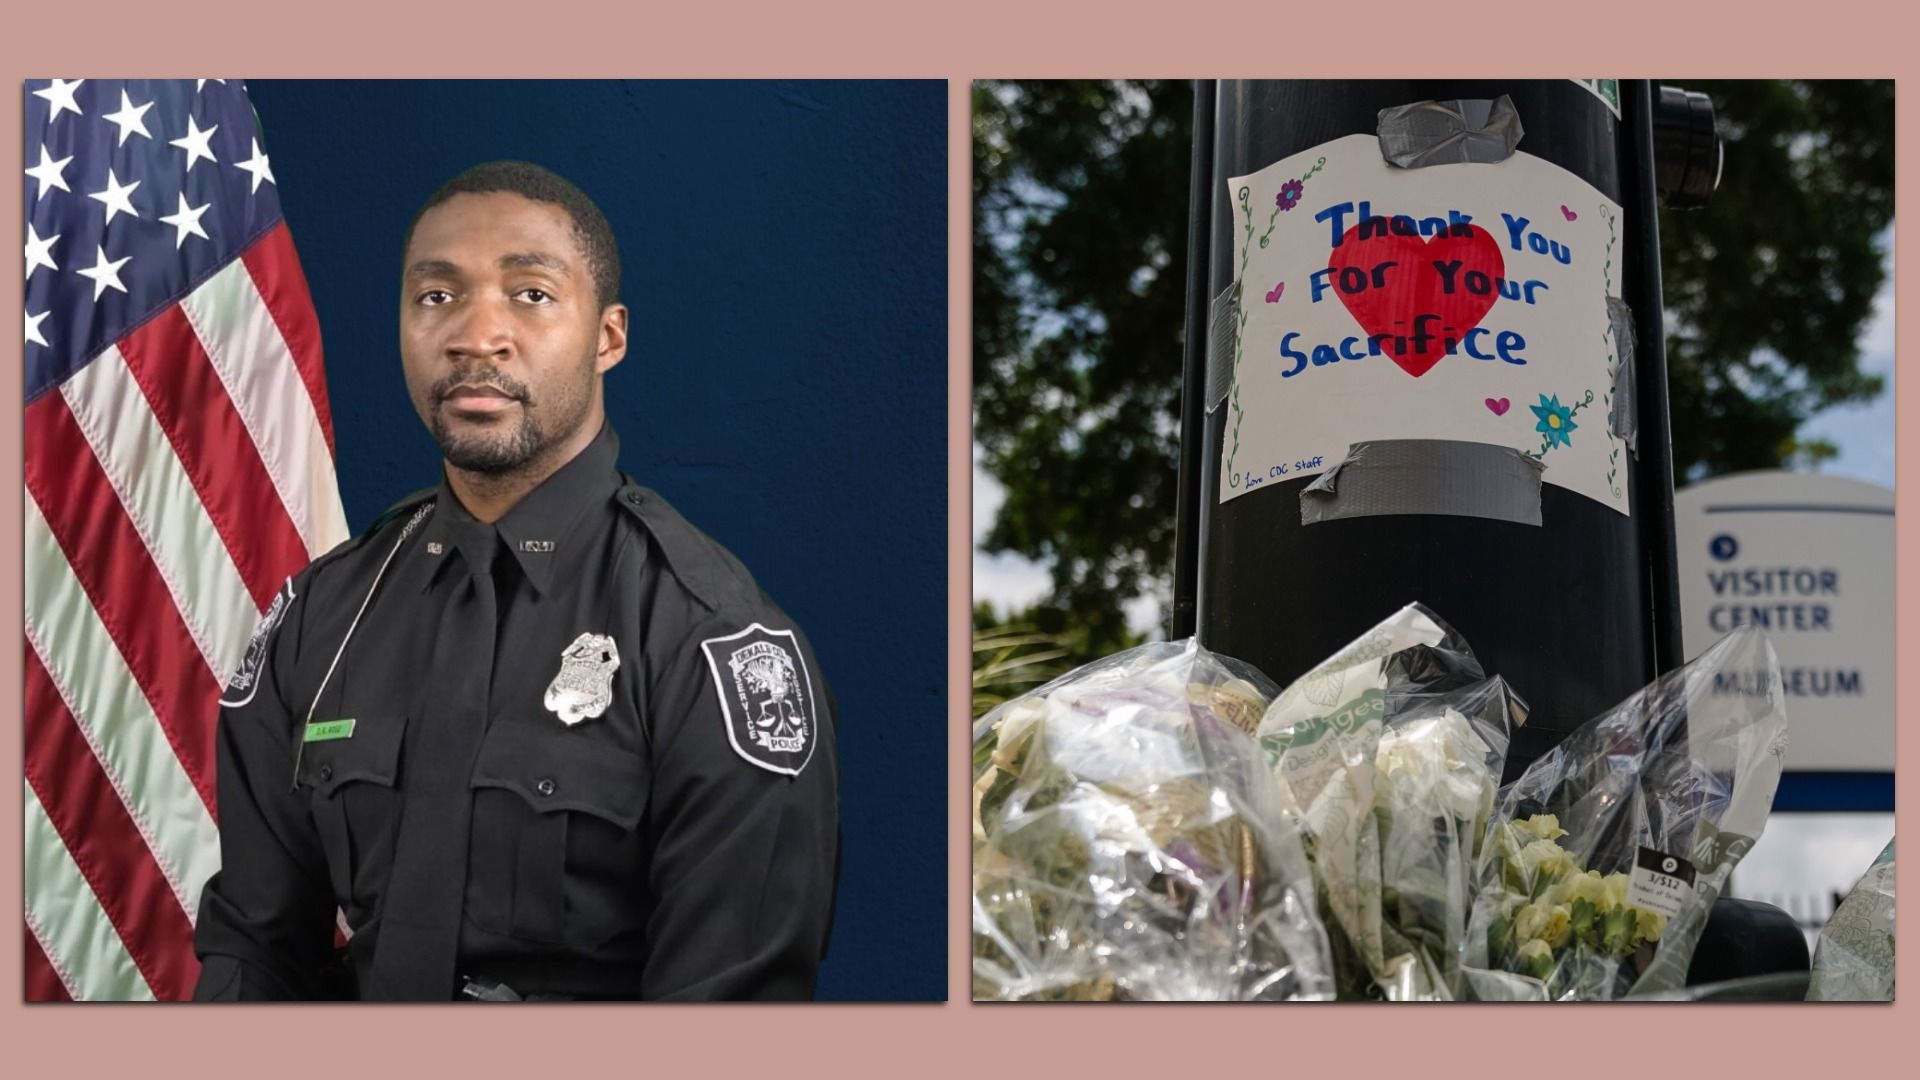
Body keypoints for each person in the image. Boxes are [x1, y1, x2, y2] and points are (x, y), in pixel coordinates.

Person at [193, 161, 839, 1001]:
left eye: (530, 294)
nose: (475, 334)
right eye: (436, 297)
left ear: (608, 337)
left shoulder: (708, 638)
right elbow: (254, 951)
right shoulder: (324, 616)